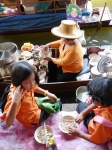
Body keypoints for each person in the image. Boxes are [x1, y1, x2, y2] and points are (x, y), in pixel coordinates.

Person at [0, 61, 62, 128]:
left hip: (34, 104)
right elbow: (7, 123)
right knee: (58, 104)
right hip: (33, 118)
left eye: (33, 79)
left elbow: (35, 88)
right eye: (27, 82)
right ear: (19, 82)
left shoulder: (24, 85)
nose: (32, 84)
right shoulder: (16, 96)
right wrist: (15, 101)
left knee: (55, 101)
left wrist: (47, 93)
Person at [68, 77, 112, 144]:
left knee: (81, 106)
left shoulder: (103, 122)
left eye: (92, 97)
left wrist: (79, 134)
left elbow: (98, 140)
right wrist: (82, 114)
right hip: (101, 117)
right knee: (82, 105)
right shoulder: (107, 100)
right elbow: (96, 103)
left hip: (98, 129)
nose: (90, 97)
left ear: (100, 101)